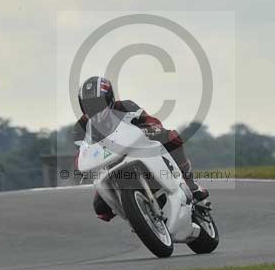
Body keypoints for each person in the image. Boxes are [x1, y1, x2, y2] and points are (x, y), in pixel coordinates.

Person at [73, 76, 208, 222]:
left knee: (171, 137)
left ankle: (190, 183)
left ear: (109, 98)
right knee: (100, 208)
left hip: (138, 148)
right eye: (89, 104)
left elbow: (150, 120)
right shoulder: (80, 127)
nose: (94, 108)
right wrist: (81, 167)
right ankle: (134, 215)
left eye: (98, 103)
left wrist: (151, 128)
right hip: (108, 164)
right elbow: (81, 152)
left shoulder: (125, 106)